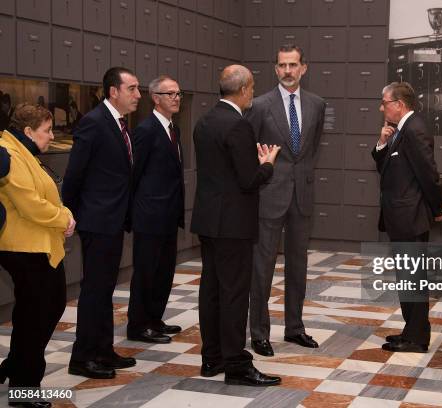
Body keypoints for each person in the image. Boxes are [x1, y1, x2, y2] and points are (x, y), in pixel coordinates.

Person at [191, 64, 282, 386]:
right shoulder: (239, 126)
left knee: (212, 291)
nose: (253, 93)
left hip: (209, 222)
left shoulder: (204, 121)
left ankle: (211, 357)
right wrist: (267, 165)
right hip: (233, 225)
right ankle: (237, 364)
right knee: (234, 294)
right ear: (243, 89)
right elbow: (248, 180)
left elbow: (222, 173)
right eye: (253, 87)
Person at [246, 44, 326, 357]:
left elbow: (312, 149)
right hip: (269, 196)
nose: (287, 71)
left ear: (304, 68)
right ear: (275, 69)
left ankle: (295, 328)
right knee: (262, 266)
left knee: (298, 265)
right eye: (282, 66)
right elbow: (250, 150)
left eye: (293, 65)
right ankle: (259, 333)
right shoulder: (260, 105)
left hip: (302, 195)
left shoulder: (317, 104)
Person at [63, 67, 141, 379]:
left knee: (105, 288)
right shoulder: (93, 123)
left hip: (112, 219)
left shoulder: (118, 123)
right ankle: (82, 357)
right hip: (97, 220)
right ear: (113, 92)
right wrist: (73, 215)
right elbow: (73, 177)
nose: (137, 95)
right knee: (94, 290)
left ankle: (103, 350)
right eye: (132, 88)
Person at [0, 103, 76, 408]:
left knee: (36, 313)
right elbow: (29, 203)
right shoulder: (10, 152)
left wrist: (63, 214)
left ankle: (14, 367)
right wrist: (64, 218)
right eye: (47, 131)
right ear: (28, 131)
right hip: (24, 249)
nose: (51, 136)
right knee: (38, 316)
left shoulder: (21, 149)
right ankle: (24, 388)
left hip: (38, 245)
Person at [371, 82, 442, 353]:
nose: (381, 107)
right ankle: (411, 330)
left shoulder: (415, 130)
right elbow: (385, 166)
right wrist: (381, 143)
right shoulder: (400, 130)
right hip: (401, 217)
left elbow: (429, 175)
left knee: (412, 279)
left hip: (410, 217)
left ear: (399, 104)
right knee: (406, 278)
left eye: (384, 102)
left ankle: (417, 338)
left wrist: (436, 210)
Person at [127, 75, 184, 344]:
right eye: (170, 94)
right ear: (156, 98)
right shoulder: (146, 130)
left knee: (164, 271)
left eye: (178, 93)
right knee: (146, 271)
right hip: (149, 216)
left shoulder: (174, 128)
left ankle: (154, 319)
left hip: (169, 215)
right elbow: (134, 174)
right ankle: (138, 325)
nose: (176, 98)